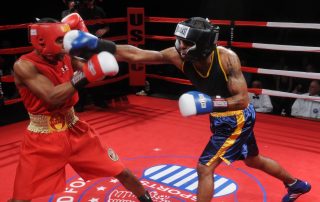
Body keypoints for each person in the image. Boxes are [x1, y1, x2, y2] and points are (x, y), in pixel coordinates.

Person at [113, 17, 311, 202]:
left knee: (204, 168)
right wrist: (100, 47)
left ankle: (295, 184)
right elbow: (137, 54)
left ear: (203, 45)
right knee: (253, 160)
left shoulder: (227, 59)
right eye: (180, 40)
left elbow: (242, 100)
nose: (180, 47)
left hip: (237, 118)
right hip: (222, 117)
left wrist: (208, 104)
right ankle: (296, 185)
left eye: (187, 43)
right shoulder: (178, 55)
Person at [9, 18, 152, 202]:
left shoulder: (66, 56)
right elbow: (52, 97)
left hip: (75, 128)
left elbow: (93, 72)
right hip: (42, 138)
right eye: (60, 40)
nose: (65, 44)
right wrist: (89, 72)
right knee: (21, 198)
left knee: (121, 171)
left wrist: (94, 60)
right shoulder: (24, 65)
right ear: (42, 40)